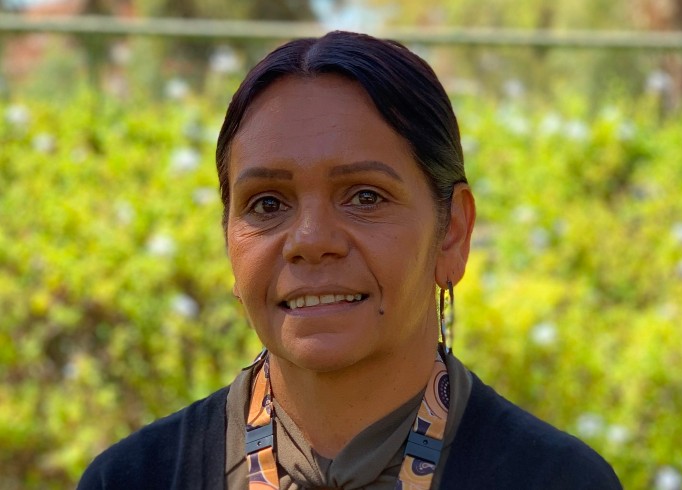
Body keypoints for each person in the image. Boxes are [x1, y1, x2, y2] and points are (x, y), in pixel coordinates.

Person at [78, 31, 622, 489]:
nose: (311, 240)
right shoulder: (133, 477)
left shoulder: (555, 478)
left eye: (365, 196)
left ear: (453, 232)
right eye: (267, 204)